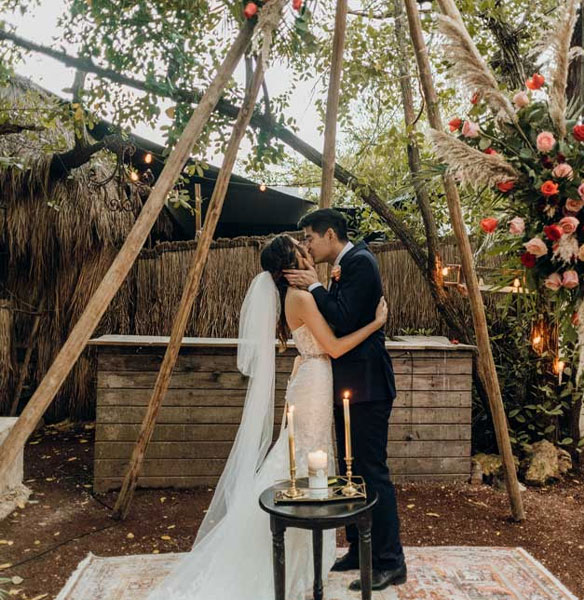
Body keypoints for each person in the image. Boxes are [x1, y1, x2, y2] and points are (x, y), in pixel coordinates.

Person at [145, 234, 387, 600]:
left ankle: (301, 556)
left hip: (310, 378)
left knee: (304, 462)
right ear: (290, 264)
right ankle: (277, 549)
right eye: (300, 248)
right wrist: (376, 323)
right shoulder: (302, 297)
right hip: (315, 381)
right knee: (304, 462)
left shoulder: (295, 296)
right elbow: (335, 347)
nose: (308, 250)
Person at [284, 208, 407, 592]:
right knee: (352, 470)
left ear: (331, 234)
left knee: (372, 471)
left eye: (310, 237)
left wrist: (316, 288)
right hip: (348, 386)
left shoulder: (360, 263)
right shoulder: (345, 264)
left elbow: (345, 318)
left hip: (368, 386)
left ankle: (390, 561)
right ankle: (358, 546)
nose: (307, 245)